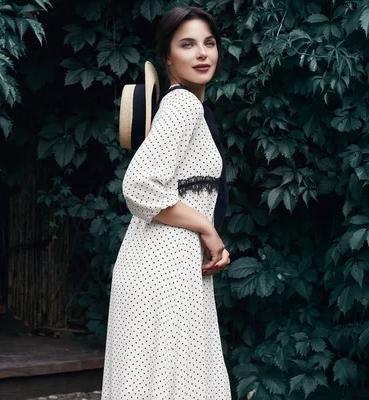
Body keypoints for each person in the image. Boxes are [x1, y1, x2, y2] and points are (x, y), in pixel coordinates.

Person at [102, 6, 232, 399]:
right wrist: (208, 229)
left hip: (164, 261)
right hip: (165, 264)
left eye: (209, 43)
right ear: (167, 57)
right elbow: (140, 186)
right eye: (187, 44)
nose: (202, 54)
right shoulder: (182, 105)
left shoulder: (184, 106)